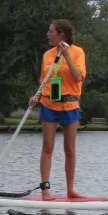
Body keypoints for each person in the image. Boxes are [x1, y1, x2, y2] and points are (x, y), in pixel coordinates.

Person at [29, 19, 87, 200]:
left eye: (51, 31)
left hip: (70, 104)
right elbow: (43, 81)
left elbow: (78, 77)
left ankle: (70, 189)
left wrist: (67, 55)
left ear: (61, 34)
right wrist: (36, 97)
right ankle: (45, 188)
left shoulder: (78, 52)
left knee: (69, 149)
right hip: (49, 104)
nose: (48, 34)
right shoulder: (47, 55)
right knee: (48, 146)